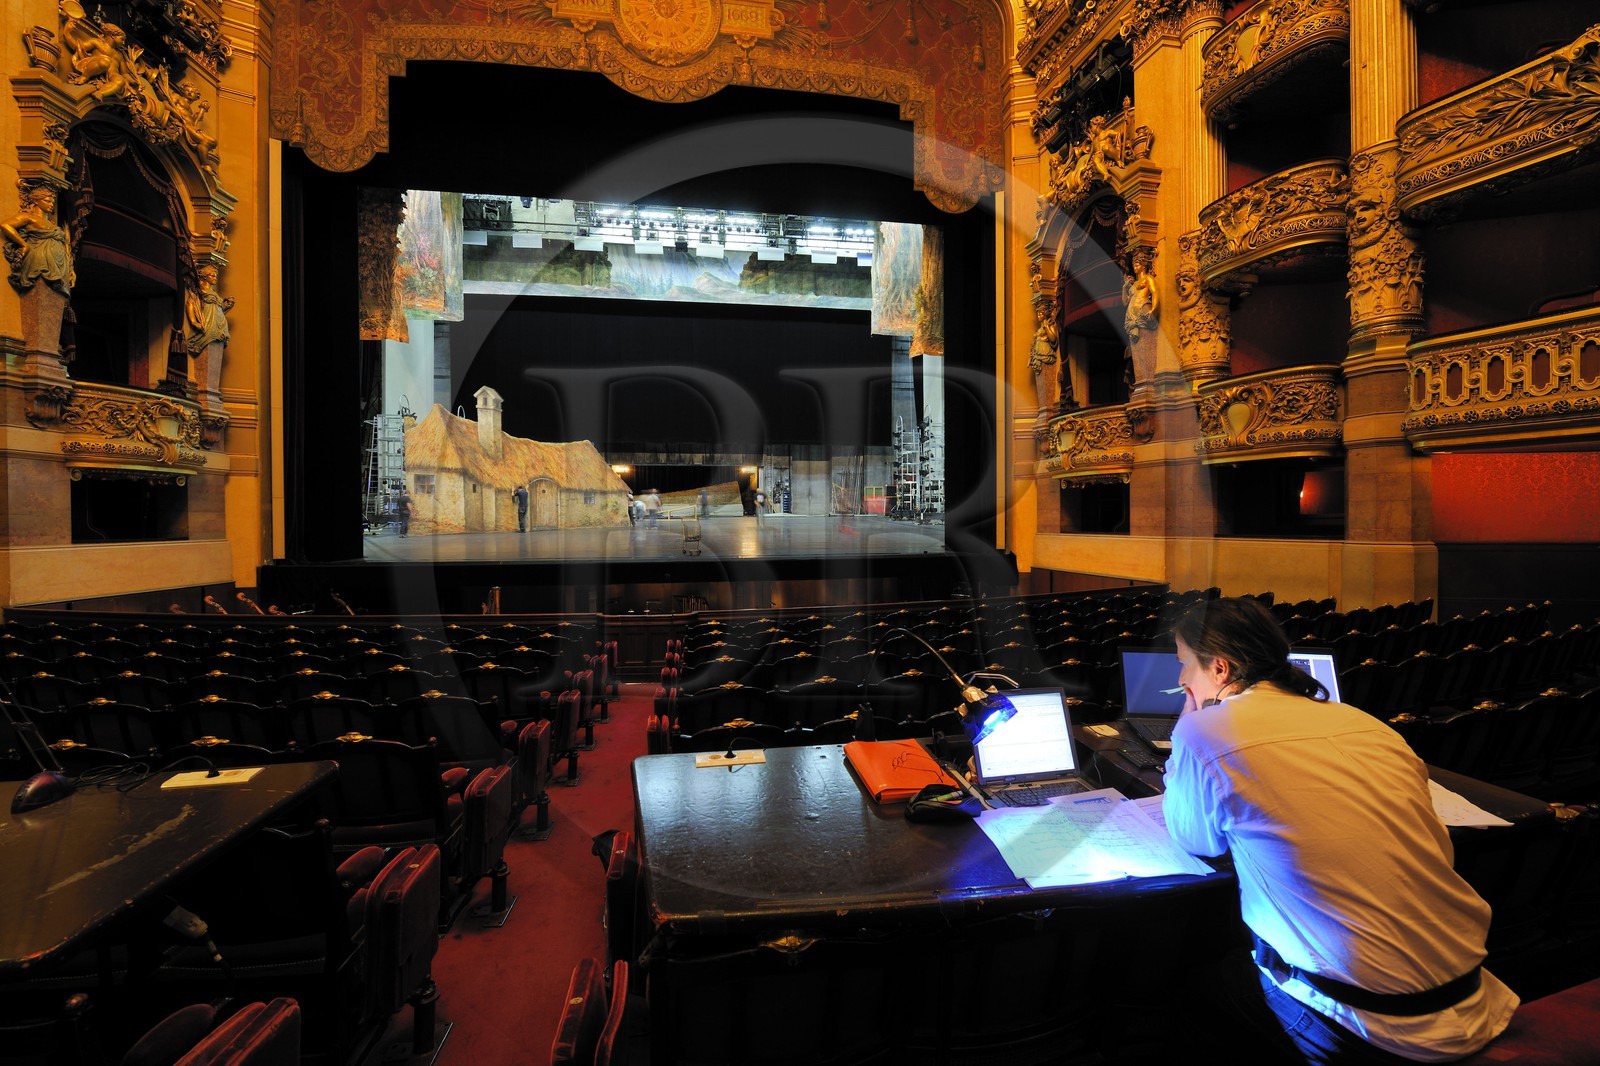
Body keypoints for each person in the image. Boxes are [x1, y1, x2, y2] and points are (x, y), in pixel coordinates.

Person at [1160, 597, 1518, 1064]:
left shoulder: (1206, 731)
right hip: (1471, 994)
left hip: (1371, 1023)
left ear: (1221, 668)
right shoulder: (1364, 722)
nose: (1182, 679)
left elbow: (1195, 841)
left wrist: (1191, 717)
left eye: (1185, 664)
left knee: (1192, 991)